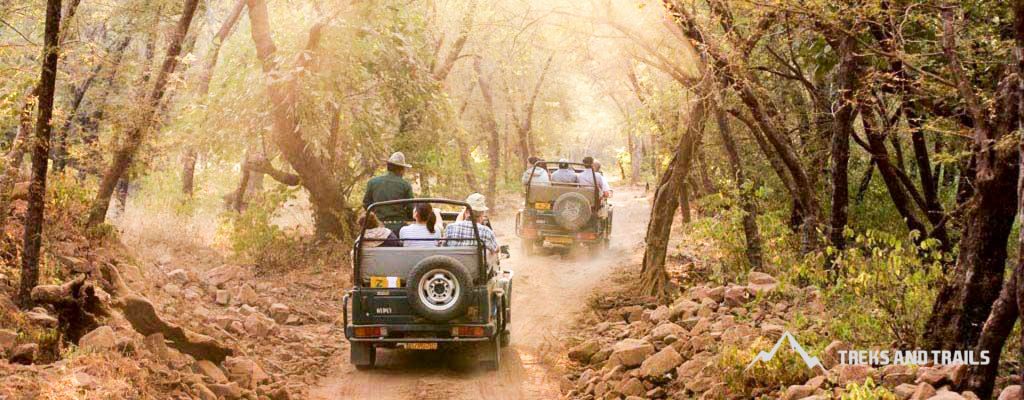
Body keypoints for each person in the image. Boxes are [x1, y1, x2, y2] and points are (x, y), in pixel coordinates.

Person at [363, 152, 414, 235]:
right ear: (400, 170)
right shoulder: (405, 185)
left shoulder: (372, 182)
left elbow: (366, 204)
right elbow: (411, 208)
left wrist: (377, 217)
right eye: (404, 169)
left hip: (378, 226)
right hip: (399, 227)